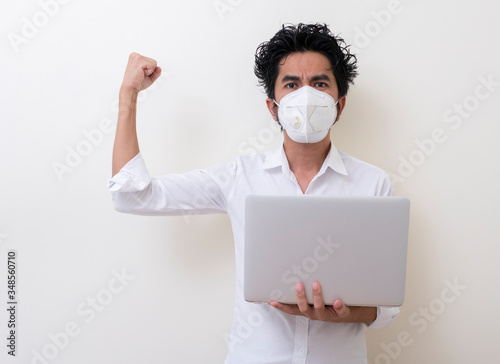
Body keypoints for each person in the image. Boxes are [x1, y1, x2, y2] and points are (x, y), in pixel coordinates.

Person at [109, 23, 400, 363]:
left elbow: (387, 307)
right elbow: (130, 195)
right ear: (273, 107)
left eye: (320, 83)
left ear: (340, 104)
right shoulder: (239, 177)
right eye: (291, 84)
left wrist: (346, 314)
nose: (306, 96)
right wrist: (128, 97)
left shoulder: (373, 183)